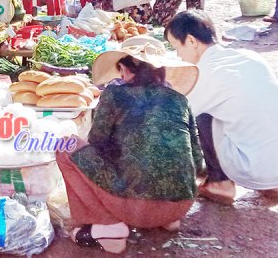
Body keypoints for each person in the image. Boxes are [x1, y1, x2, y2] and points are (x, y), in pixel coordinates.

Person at [57, 40, 202, 254]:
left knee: (65, 147)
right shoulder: (179, 100)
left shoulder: (115, 94)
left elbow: (96, 144)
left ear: (125, 69)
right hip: (182, 204)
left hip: (136, 208)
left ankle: (107, 226)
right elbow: (197, 161)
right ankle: (165, 219)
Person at [165, 10, 278, 204]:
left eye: (176, 47)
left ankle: (220, 183)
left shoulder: (206, 73)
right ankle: (270, 182)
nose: (178, 55)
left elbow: (178, 116)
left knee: (202, 116)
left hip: (258, 170)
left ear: (191, 41)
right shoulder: (249, 56)